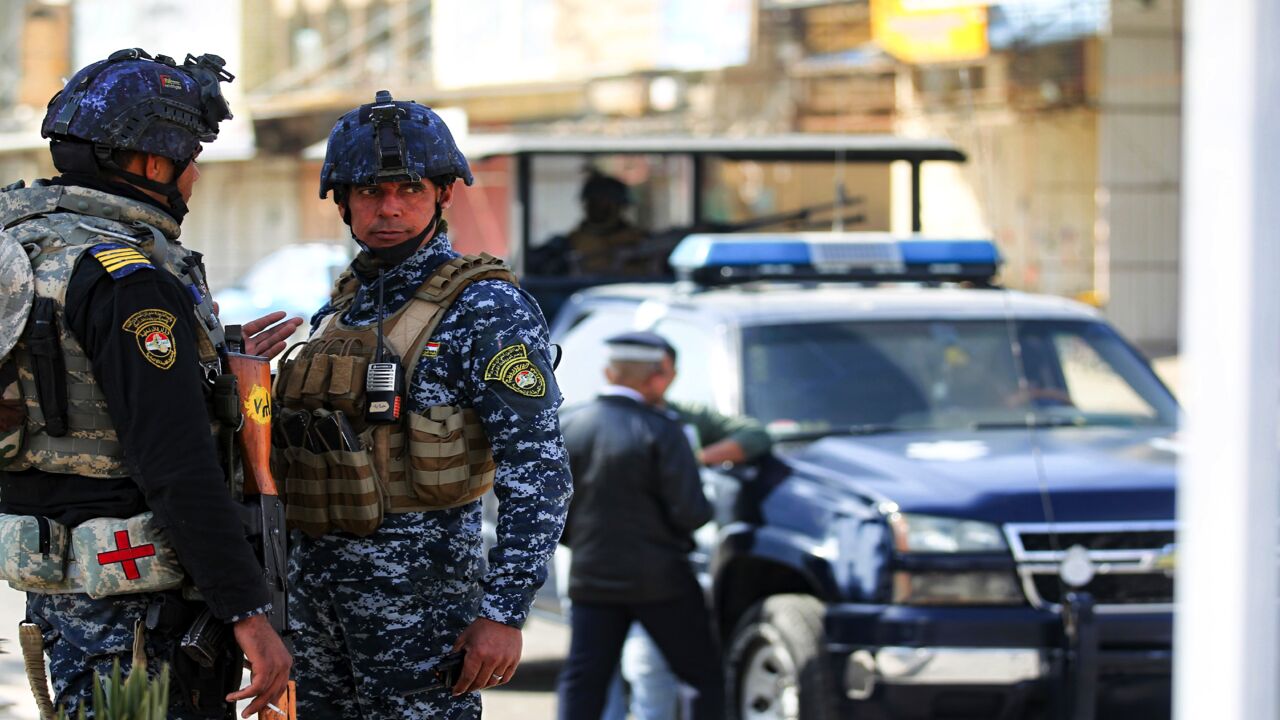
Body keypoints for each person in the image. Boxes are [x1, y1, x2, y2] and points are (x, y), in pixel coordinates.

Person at [0, 48, 296, 719]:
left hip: (58, 601)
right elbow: (175, 463)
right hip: (137, 621)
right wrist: (249, 612)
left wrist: (207, 357)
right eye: (190, 156)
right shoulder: (127, 279)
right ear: (152, 164)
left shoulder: (27, 250)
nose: (194, 175)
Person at [280, 90, 571, 719]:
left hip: (421, 610)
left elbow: (539, 470)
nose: (389, 209)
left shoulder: (485, 307)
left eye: (408, 190)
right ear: (342, 201)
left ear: (442, 193)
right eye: (368, 192)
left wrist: (504, 610)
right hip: (318, 608)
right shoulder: (341, 309)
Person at [556, 331, 724, 720]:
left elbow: (553, 512)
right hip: (662, 581)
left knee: (584, 680)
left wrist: (583, 542)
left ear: (608, 372)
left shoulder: (570, 425)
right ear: (657, 377)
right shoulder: (664, 429)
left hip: (592, 576)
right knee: (700, 676)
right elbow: (691, 512)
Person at [564, 172, 651, 275]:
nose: (597, 208)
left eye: (605, 202)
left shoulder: (639, 239)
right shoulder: (570, 242)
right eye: (594, 202)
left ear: (619, 206)